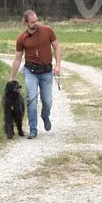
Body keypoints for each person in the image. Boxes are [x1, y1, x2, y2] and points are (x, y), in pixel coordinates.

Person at [10, 10, 61, 139]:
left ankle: (45, 115)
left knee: (47, 101)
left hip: (46, 72)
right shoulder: (22, 38)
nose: (35, 23)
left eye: (36, 20)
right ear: (25, 23)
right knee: (31, 100)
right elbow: (17, 59)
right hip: (30, 72)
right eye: (32, 22)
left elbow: (57, 47)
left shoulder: (48, 31)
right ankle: (33, 129)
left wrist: (58, 65)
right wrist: (12, 78)